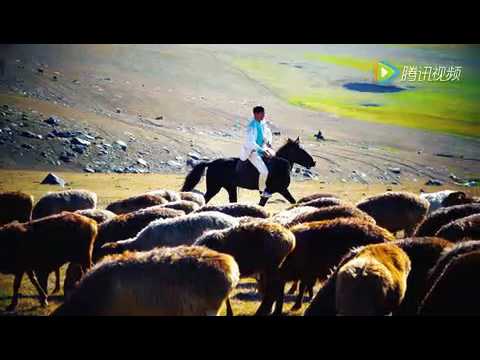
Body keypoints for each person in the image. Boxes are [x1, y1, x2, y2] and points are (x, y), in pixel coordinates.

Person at [240, 106, 274, 198]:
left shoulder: (262, 123)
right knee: (264, 172)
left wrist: (268, 142)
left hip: (262, 148)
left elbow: (267, 133)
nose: (263, 115)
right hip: (252, 152)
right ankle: (263, 191)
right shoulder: (251, 126)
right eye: (261, 114)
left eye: (264, 113)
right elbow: (251, 142)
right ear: (255, 114)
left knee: (275, 156)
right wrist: (262, 151)